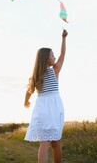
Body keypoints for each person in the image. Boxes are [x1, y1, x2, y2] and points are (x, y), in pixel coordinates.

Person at [24, 29, 68, 163]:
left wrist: (26, 102)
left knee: (44, 143)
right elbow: (63, 54)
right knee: (56, 143)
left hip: (42, 108)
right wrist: (64, 38)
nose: (54, 57)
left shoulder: (36, 76)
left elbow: (29, 91)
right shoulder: (55, 71)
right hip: (54, 108)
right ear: (46, 59)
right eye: (52, 55)